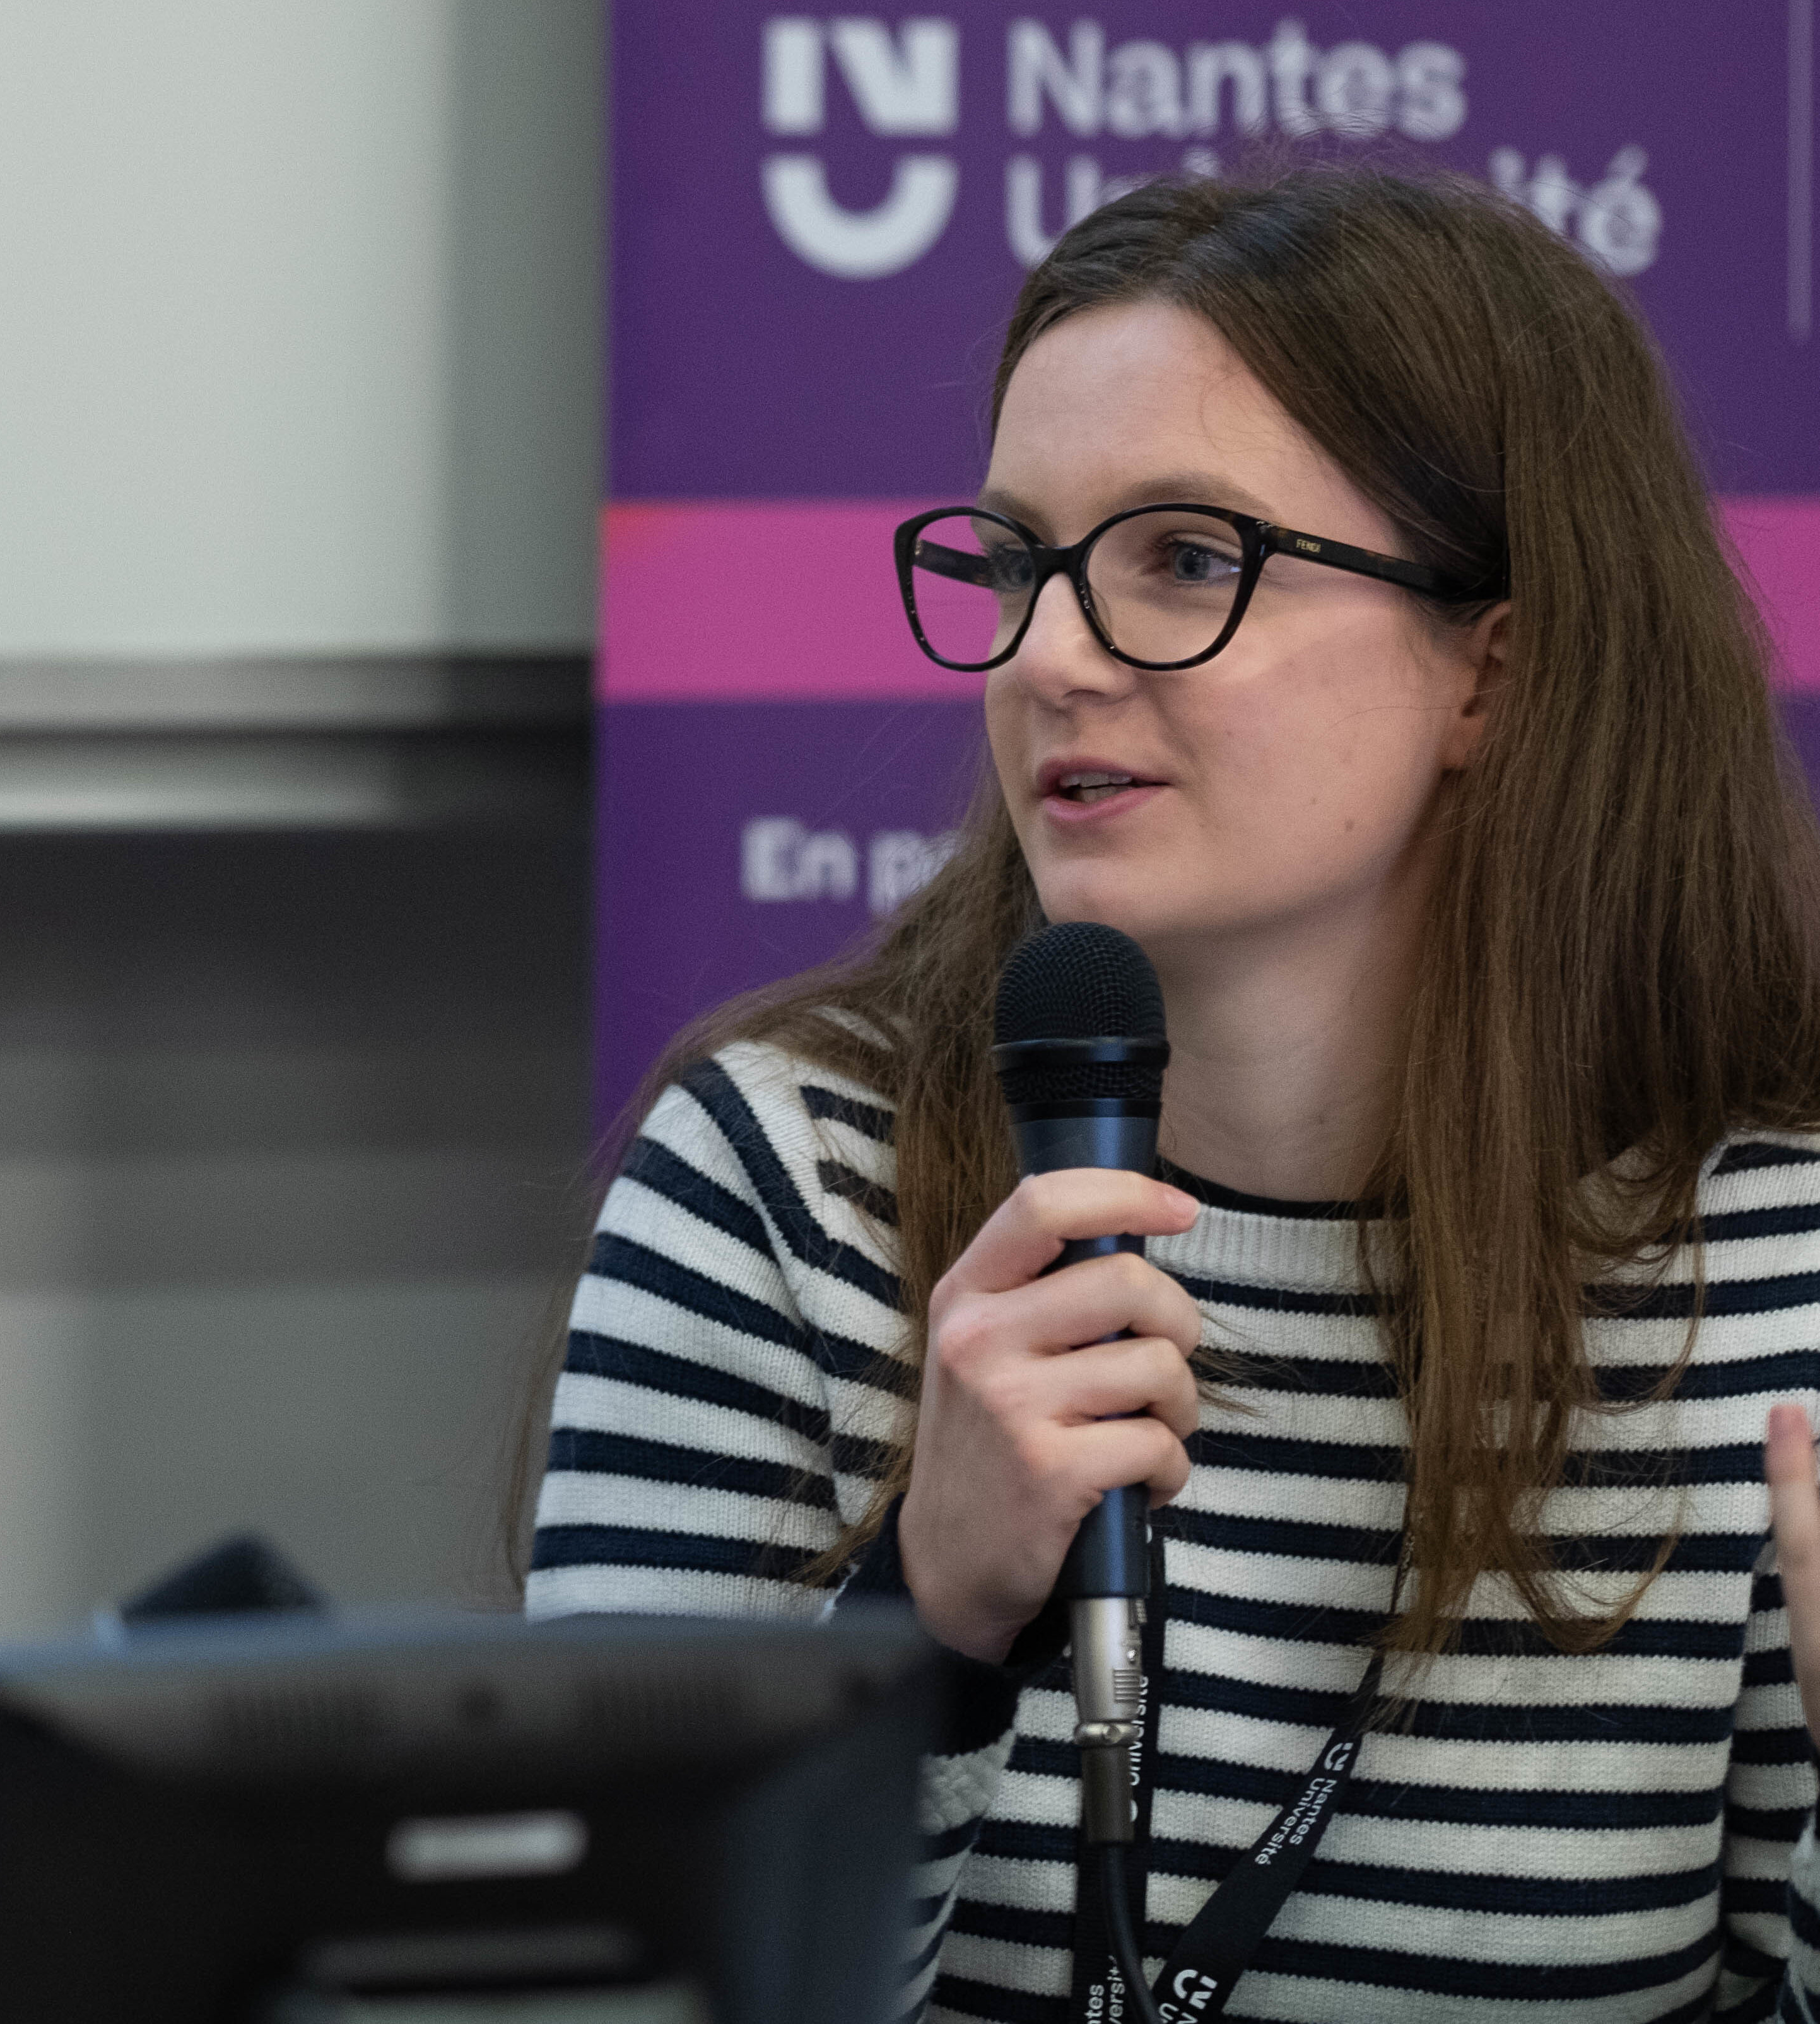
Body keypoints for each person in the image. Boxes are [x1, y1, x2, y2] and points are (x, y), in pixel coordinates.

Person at [532, 162, 1820, 2018]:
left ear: (1495, 673)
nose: (1048, 656)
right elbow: (601, 1996)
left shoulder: (1770, 1254)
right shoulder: (789, 1185)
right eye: (1016, 565)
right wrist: (926, 1625)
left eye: (1188, 562)